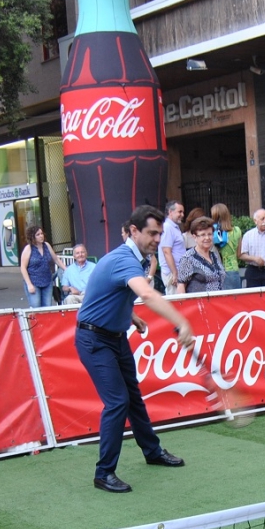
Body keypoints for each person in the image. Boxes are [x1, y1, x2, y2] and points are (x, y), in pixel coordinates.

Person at [75, 205, 193, 494]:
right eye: (152, 233)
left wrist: (130, 316)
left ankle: (152, 451)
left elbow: (104, 293)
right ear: (133, 231)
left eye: (160, 233)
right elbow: (147, 294)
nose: (157, 239)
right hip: (94, 340)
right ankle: (104, 473)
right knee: (117, 402)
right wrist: (181, 322)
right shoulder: (125, 260)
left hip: (114, 338)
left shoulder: (135, 259)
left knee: (133, 398)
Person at [176, 217, 225, 294]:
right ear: (195, 237)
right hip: (198, 301)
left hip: (218, 300)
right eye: (203, 235)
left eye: (210, 234)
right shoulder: (188, 258)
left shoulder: (214, 256)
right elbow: (181, 286)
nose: (207, 238)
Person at [20, 225, 65, 307]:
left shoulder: (46, 245)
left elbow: (56, 259)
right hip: (33, 281)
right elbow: (23, 267)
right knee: (36, 305)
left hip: (47, 281)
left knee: (47, 306)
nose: (41, 236)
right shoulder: (28, 248)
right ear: (32, 237)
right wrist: (29, 284)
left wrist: (67, 269)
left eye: (41, 233)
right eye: (38, 234)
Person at [155, 200, 186, 294]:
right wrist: (174, 273)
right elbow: (166, 251)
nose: (182, 215)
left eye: (183, 212)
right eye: (180, 212)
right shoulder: (167, 227)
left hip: (178, 272)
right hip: (172, 274)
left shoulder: (174, 227)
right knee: (177, 301)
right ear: (170, 212)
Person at [211, 203, 241, 290]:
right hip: (233, 269)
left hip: (216, 270)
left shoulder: (212, 232)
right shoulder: (237, 230)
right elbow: (239, 254)